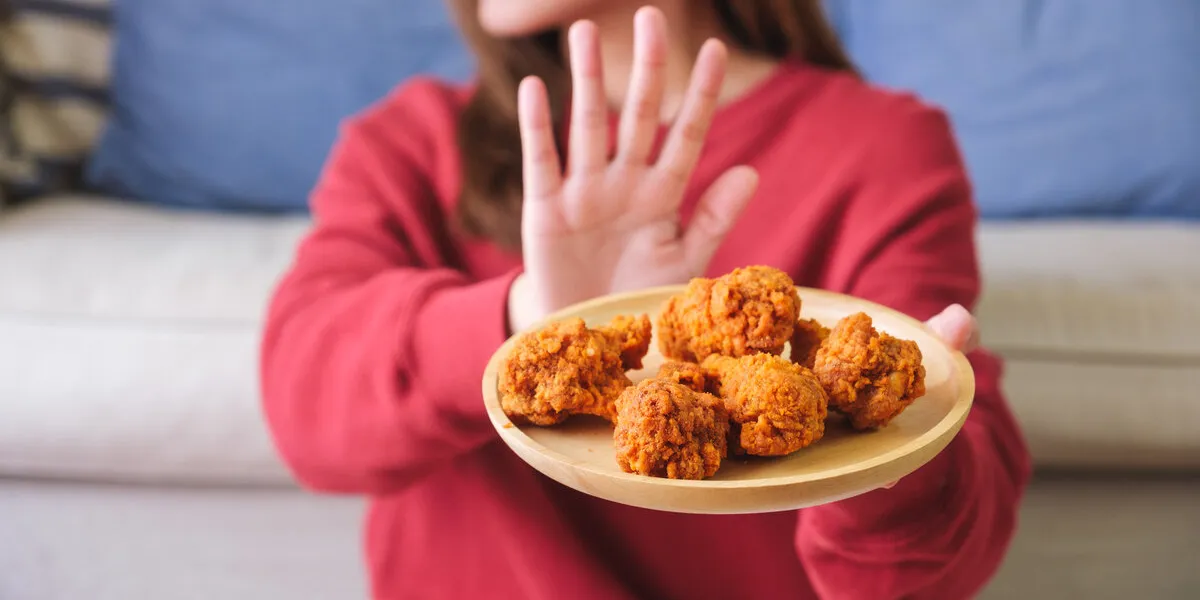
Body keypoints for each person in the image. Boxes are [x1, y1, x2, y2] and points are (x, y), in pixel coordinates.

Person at [259, 1, 1031, 598]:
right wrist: (538, 322)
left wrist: (898, 452)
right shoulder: (410, 142)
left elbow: (932, 567)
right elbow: (303, 411)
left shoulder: (880, 149)